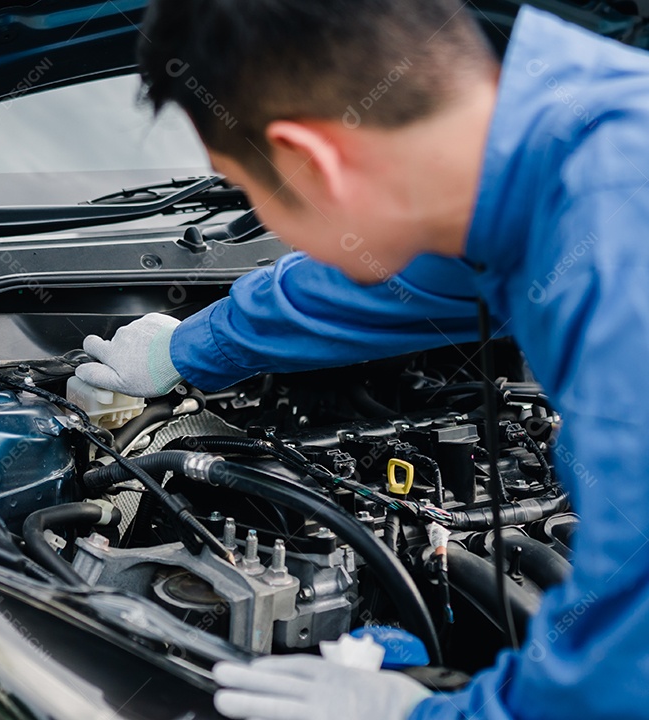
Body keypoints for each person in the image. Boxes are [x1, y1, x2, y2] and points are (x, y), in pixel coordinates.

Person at [74, 1, 649, 718]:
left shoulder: (618, 273)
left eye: (253, 191)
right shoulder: (569, 136)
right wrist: (188, 348)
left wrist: (412, 713)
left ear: (313, 163)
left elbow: (620, 683)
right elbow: (407, 280)